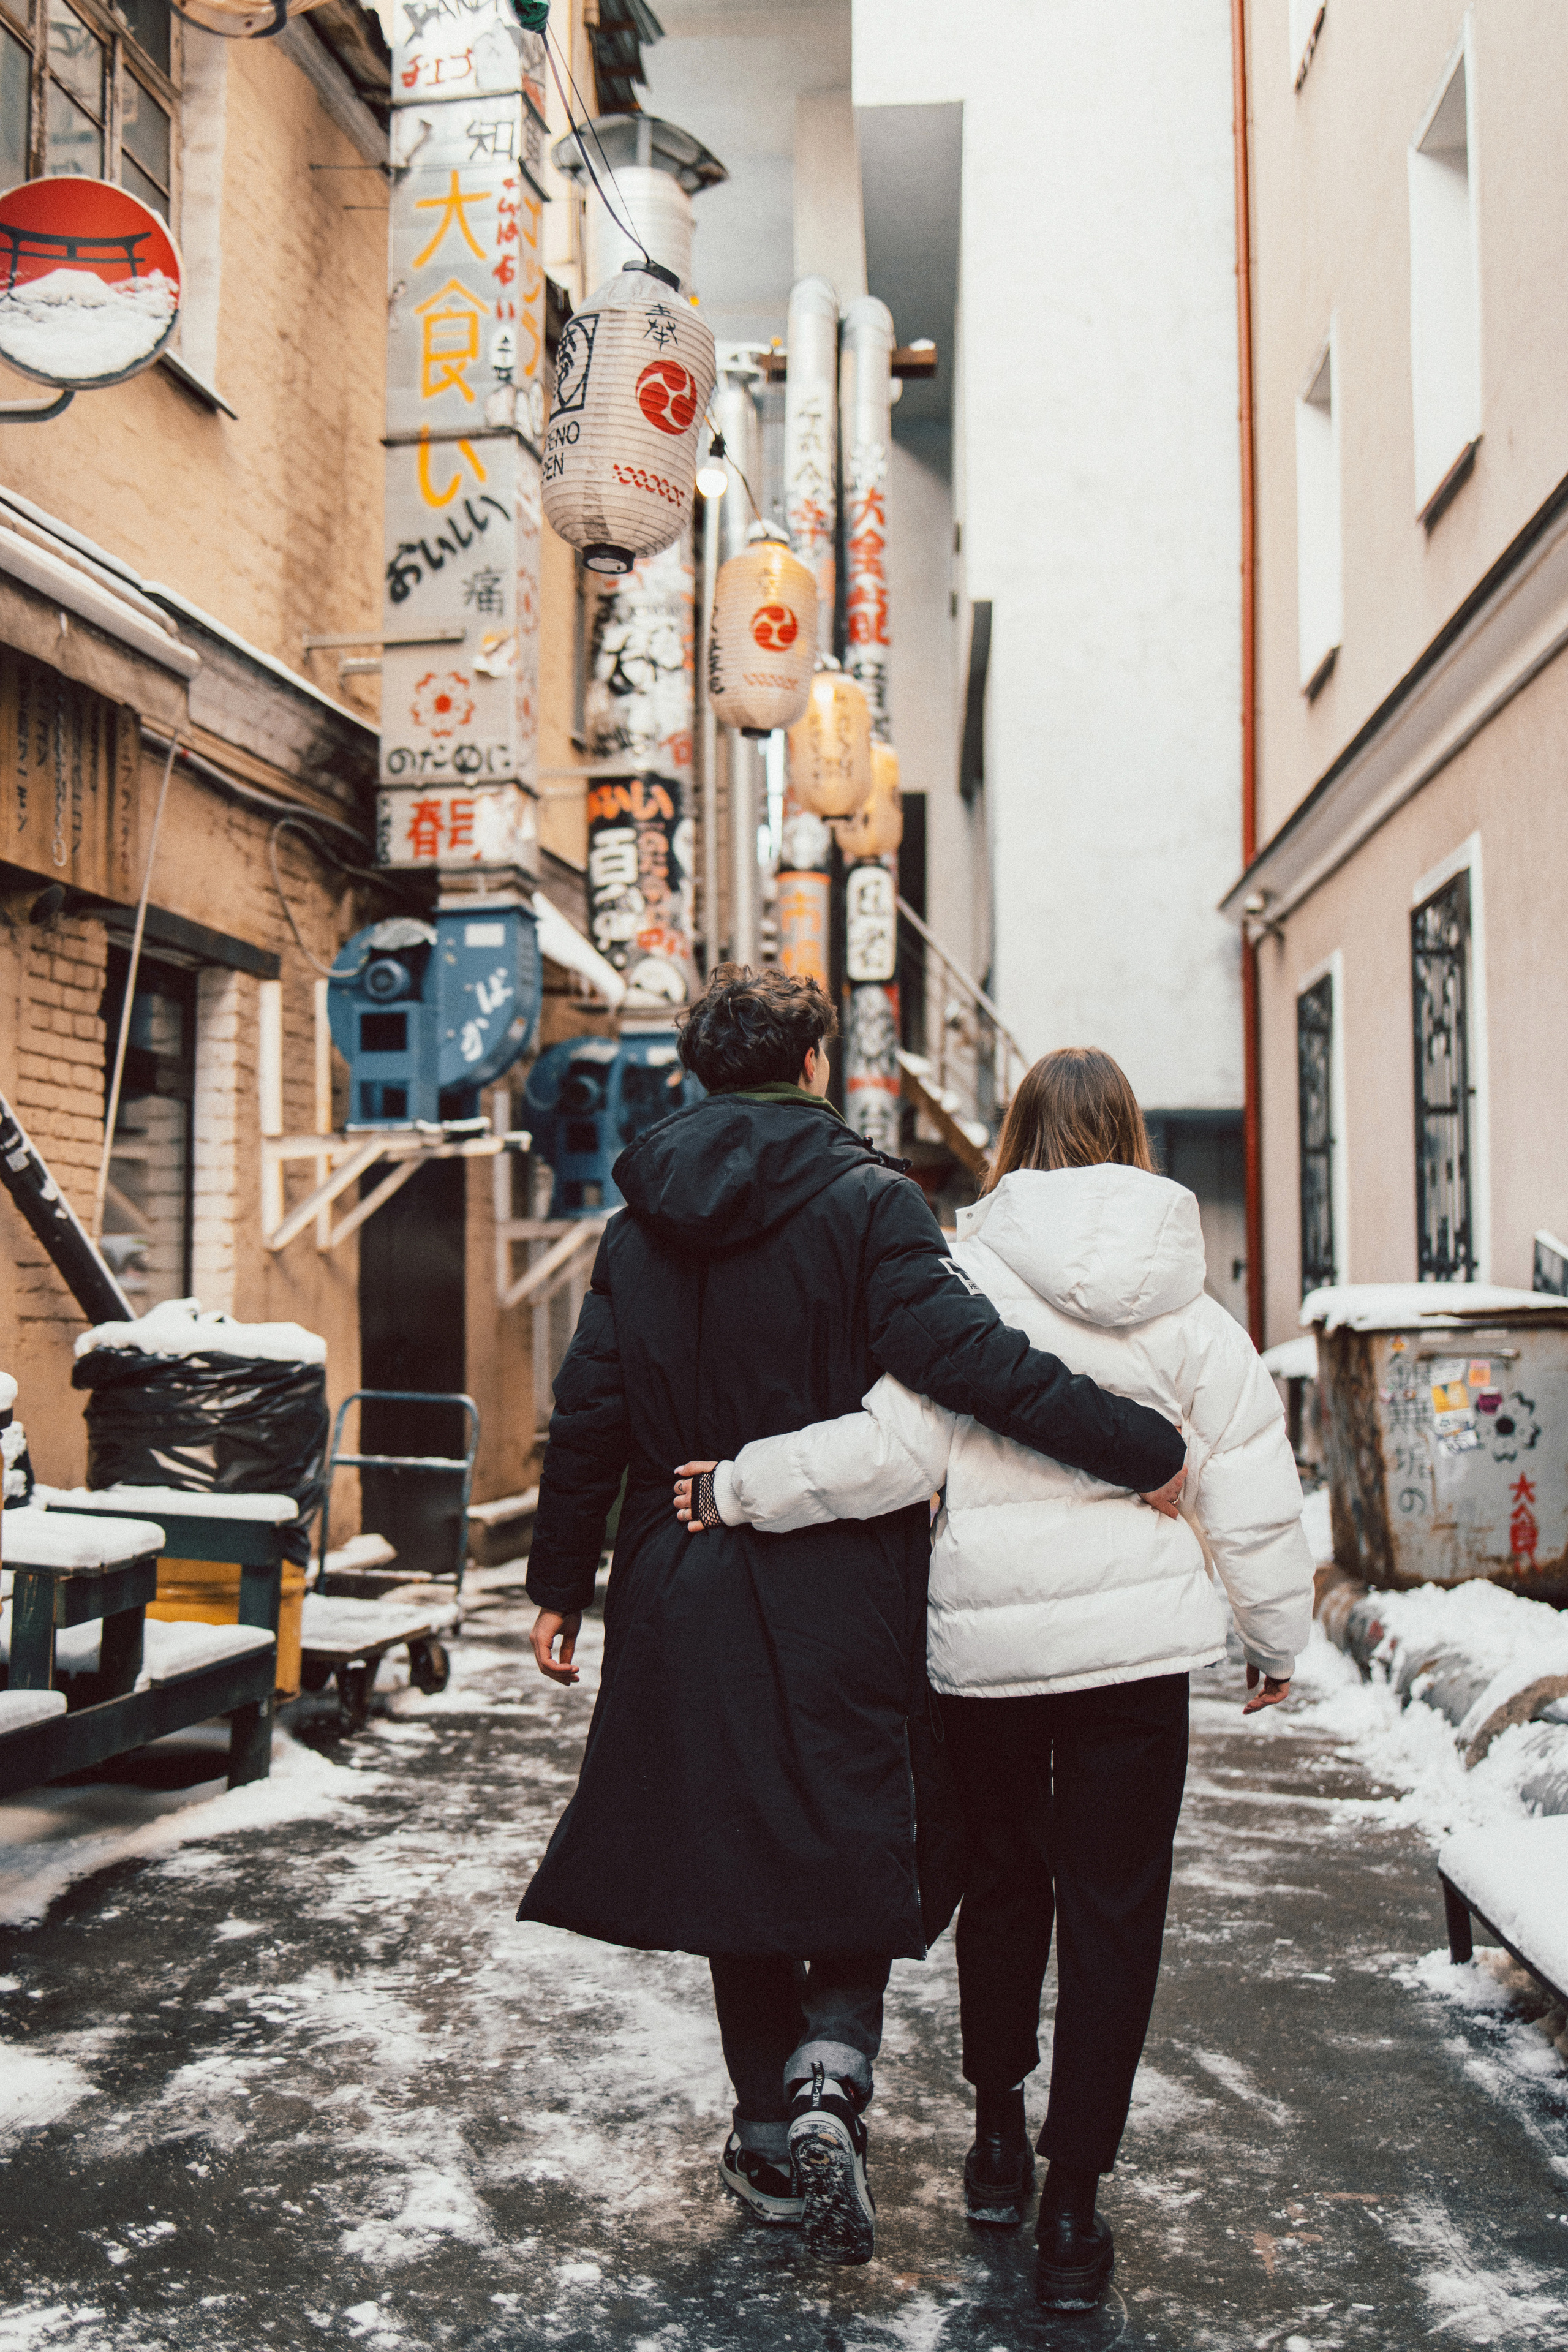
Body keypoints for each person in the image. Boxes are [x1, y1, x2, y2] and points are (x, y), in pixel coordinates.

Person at [519, 973, 1187, 2269]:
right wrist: (1137, 1446)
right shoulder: (867, 1202)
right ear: (813, 1063)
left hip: (678, 1565)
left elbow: (587, 1414)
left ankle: (766, 2127)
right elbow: (972, 1366)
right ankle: (836, 2070)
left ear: (696, 1073)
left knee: (729, 1844)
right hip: (836, 1578)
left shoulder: (635, 1223)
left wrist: (557, 1583)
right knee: (848, 1820)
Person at [674, 1045, 1313, 2309]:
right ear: (1131, 1138)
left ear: (1012, 1140)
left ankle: (995, 2143)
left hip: (982, 1666)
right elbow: (1248, 1489)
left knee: (1006, 1891)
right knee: (1115, 1919)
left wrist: (739, 1484)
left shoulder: (958, 1286)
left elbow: (885, 1453)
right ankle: (1074, 2214)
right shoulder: (1191, 1312)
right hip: (1135, 1667)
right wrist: (1273, 1639)